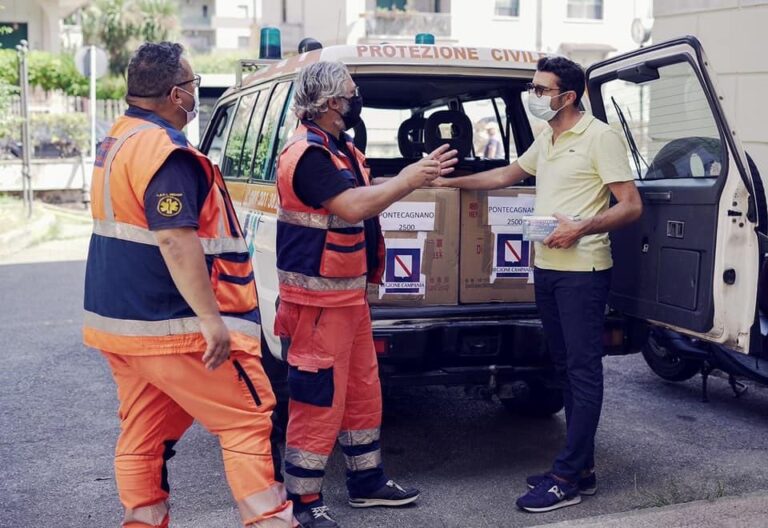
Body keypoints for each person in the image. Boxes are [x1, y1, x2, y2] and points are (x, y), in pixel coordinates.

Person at [83, 42, 293, 528]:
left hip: (122, 327)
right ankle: (271, 521)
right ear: (177, 94)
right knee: (246, 417)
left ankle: (143, 522)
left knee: (144, 432)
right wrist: (211, 321)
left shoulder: (117, 140)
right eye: (195, 86)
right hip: (174, 326)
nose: (196, 95)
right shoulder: (167, 152)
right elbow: (176, 242)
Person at [434, 56, 643, 513]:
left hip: (583, 270)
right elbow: (506, 175)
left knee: (583, 371)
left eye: (541, 90)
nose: (534, 97)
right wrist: (441, 184)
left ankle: (566, 477)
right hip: (547, 267)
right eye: (533, 88)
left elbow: (630, 205)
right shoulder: (547, 137)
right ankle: (580, 469)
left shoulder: (599, 137)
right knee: (565, 367)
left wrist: (580, 228)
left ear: (568, 96)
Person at [274, 61, 457, 528]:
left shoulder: (339, 149)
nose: (357, 100)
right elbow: (351, 205)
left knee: (361, 394)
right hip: (316, 306)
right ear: (332, 103)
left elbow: (359, 194)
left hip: (346, 299)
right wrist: (408, 180)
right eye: (352, 94)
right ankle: (303, 500)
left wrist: (416, 177)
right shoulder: (309, 155)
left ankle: (366, 481)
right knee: (318, 401)